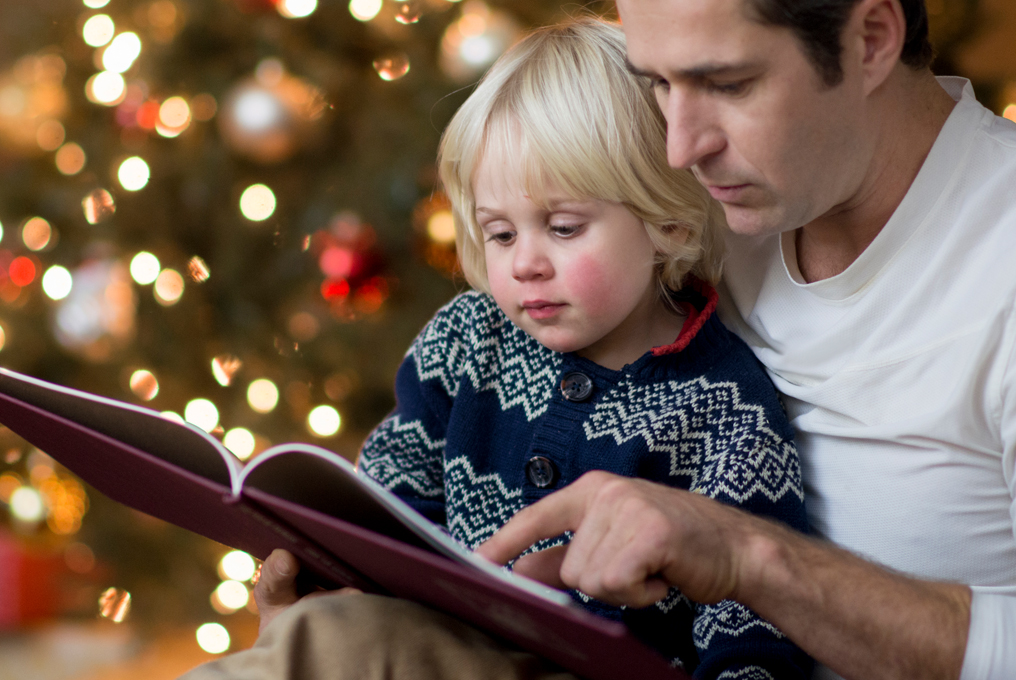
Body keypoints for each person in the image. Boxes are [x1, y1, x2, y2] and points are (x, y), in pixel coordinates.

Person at [185, 0, 1016, 679]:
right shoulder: (713, 199)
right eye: (656, 84)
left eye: (725, 83)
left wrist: (747, 558)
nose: (679, 147)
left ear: (870, 39)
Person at [355, 18, 811, 678]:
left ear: (667, 223)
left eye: (563, 227)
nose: (524, 265)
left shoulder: (726, 409)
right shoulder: (465, 338)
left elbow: (755, 622)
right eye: (501, 234)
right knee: (319, 631)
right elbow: (391, 498)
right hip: (440, 647)